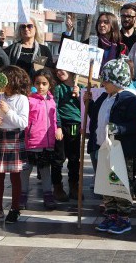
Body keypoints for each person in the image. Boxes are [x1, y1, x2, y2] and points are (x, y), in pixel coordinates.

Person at [86, 58, 136, 235]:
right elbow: (97, 116)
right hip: (103, 147)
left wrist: (119, 128)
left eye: (107, 80)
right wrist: (89, 103)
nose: (103, 83)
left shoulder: (130, 99)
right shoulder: (105, 96)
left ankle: (123, 217)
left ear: (117, 80)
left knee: (119, 183)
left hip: (121, 150)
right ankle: (110, 214)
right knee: (105, 184)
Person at [0, 66, 30, 223]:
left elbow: (23, 123)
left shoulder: (22, 99)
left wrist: (8, 112)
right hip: (1, 138)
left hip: (15, 137)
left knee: (15, 176)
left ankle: (15, 208)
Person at [22, 69, 64, 210]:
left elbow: (55, 118)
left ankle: (48, 195)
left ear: (50, 85)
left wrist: (58, 127)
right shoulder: (29, 99)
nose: (41, 86)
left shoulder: (52, 101)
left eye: (44, 83)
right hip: (32, 142)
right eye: (38, 83)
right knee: (26, 170)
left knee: (45, 170)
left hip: (47, 143)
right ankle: (22, 195)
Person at [54, 69, 82, 200]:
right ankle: (57, 187)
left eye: (62, 69)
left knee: (74, 158)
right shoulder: (58, 88)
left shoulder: (80, 87)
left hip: (75, 126)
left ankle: (74, 185)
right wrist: (58, 126)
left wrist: (80, 95)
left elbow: (86, 107)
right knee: (59, 158)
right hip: (61, 126)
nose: (59, 72)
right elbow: (55, 107)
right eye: (57, 70)